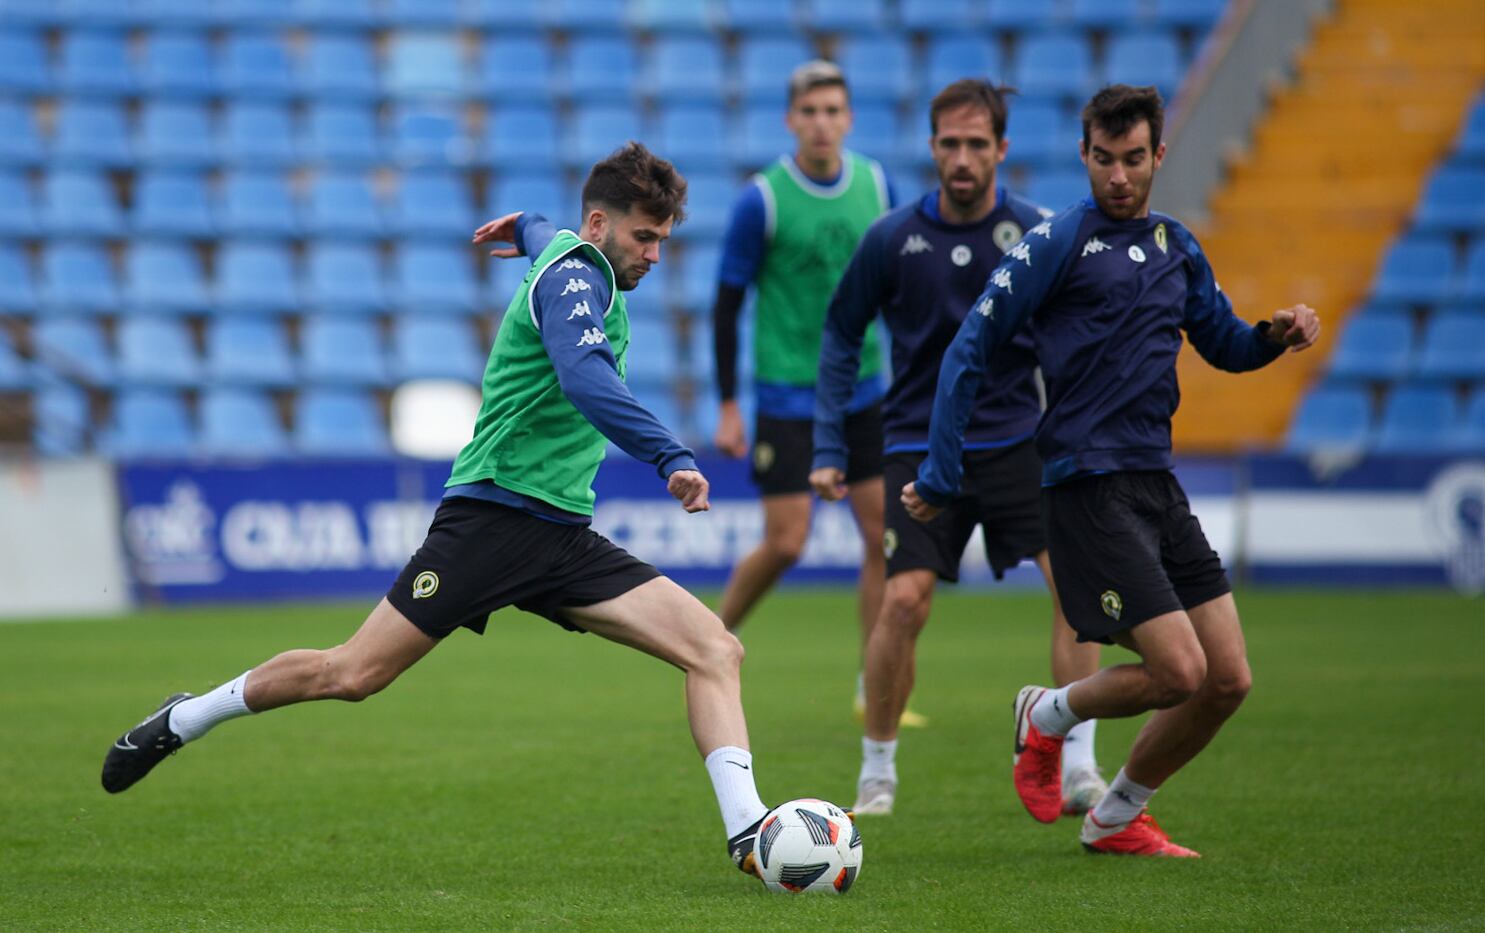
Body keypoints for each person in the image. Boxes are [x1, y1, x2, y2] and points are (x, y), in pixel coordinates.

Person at [101, 143, 778, 881]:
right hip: (490, 520)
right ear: (599, 225)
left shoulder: (564, 244)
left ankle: (748, 831)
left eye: (663, 240)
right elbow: (583, 377)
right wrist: (669, 455)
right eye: (644, 238)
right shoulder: (577, 279)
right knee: (352, 673)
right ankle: (185, 716)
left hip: (559, 535)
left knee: (715, 649)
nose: (654, 254)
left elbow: (541, 226)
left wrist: (520, 223)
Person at [903, 85, 1320, 856]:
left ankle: (1117, 812)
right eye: (1104, 160)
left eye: (1134, 159)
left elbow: (1222, 343)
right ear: (1083, 154)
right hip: (1085, 485)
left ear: (1156, 154)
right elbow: (968, 350)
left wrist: (1273, 335)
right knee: (1178, 670)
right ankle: (1047, 715)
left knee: (1226, 680)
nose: (1119, 176)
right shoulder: (1055, 243)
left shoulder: (1176, 246)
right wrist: (939, 472)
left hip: (1155, 484)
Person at [812, 79, 1106, 817]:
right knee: (903, 599)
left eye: (978, 144)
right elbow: (841, 332)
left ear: (1001, 149)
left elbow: (1078, 334)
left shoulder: (1041, 235)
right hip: (917, 443)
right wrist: (828, 442)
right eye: (950, 144)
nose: (963, 157)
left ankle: (1078, 762)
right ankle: (876, 768)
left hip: (1017, 441)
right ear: (933, 148)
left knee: (1075, 591)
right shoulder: (891, 239)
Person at [711, 60, 910, 723]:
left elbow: (904, 285)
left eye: (833, 110)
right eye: (809, 111)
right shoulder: (761, 199)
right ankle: (706, 638)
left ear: (848, 118)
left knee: (881, 533)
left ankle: (871, 683)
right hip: (788, 392)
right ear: (790, 120)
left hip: (865, 388)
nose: (821, 122)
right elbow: (726, 301)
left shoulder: (876, 184)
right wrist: (729, 402)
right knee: (788, 541)